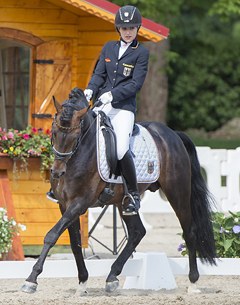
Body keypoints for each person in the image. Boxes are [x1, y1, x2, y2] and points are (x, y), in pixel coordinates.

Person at [84, 5, 149, 216]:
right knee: (79, 134)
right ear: (118, 29)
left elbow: (135, 84)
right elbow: (98, 75)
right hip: (102, 104)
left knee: (121, 149)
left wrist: (112, 95)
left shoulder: (141, 52)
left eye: (131, 27)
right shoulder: (109, 48)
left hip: (123, 108)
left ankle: (133, 194)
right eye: (123, 27)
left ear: (137, 28)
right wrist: (90, 90)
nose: (128, 31)